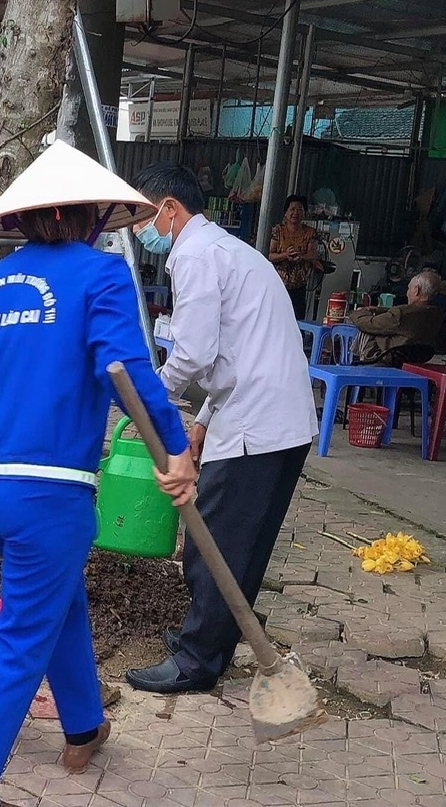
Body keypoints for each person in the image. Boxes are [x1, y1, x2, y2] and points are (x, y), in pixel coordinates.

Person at [0, 140, 198, 807]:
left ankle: (83, 726)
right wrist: (175, 450)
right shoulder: (101, 277)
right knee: (20, 641)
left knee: (58, 600)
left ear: (22, 221)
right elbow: (130, 373)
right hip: (49, 494)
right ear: (91, 217)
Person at [125, 162, 317, 694]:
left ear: (170, 208)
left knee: (213, 542)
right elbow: (241, 351)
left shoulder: (195, 255)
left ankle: (196, 661)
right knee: (243, 545)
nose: (141, 230)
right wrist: (204, 420)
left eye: (143, 216)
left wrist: (150, 395)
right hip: (278, 419)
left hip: (259, 423)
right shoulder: (230, 252)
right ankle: (212, 642)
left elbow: (193, 354)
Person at [347, 270, 444, 367]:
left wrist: (357, 312)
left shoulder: (400, 315)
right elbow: (409, 314)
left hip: (384, 359)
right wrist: (380, 310)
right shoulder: (436, 313)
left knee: (364, 330)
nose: (407, 293)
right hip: (416, 359)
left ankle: (350, 364)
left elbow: (368, 323)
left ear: (416, 290)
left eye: (408, 289)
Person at [268, 194, 319, 320]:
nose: (295, 213)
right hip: (278, 283)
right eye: (292, 209)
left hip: (299, 285)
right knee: (276, 317)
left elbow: (312, 254)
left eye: (300, 209)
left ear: (304, 213)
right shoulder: (278, 231)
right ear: (285, 213)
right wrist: (285, 255)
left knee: (296, 319)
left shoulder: (310, 232)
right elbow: (270, 255)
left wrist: (300, 256)